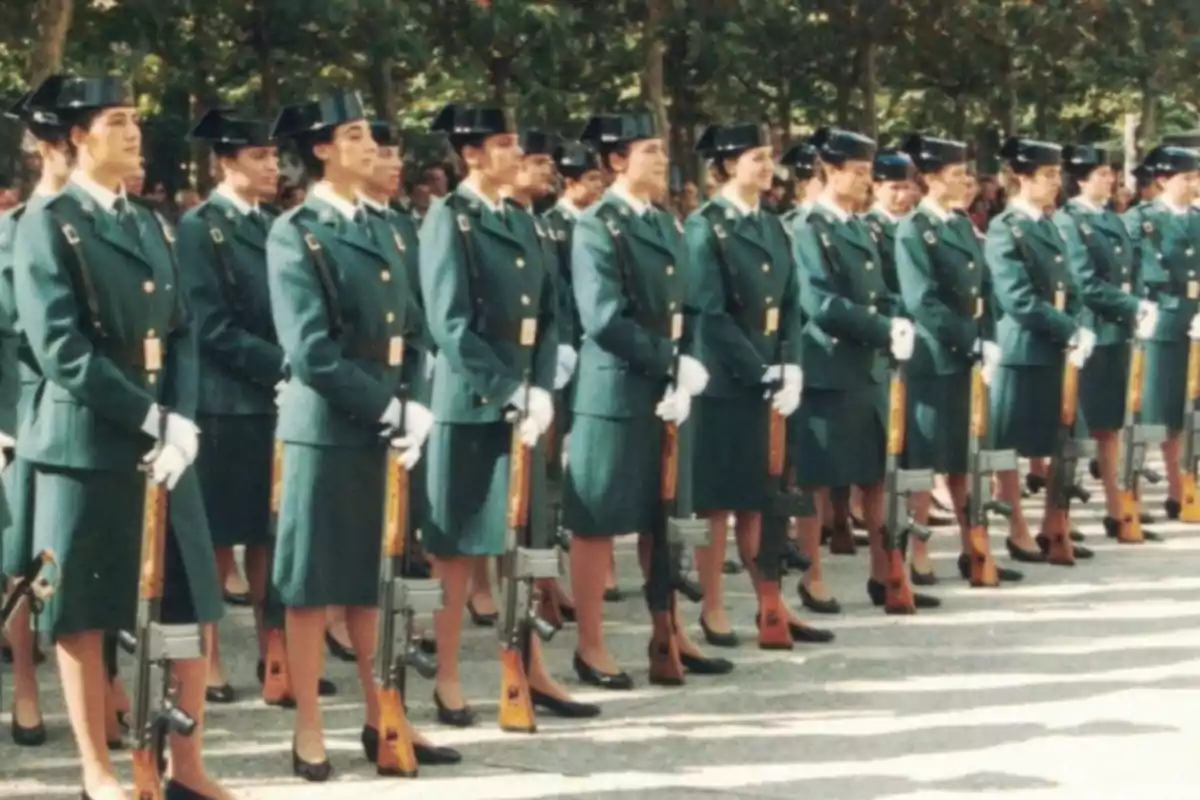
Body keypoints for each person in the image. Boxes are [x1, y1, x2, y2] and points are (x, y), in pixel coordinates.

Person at [13, 73, 229, 800]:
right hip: (87, 444)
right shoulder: (47, 223)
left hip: (163, 442)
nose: (134, 131)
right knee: (81, 615)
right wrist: (149, 416)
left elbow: (183, 331)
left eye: (136, 117)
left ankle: (188, 767)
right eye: (115, 120)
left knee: (190, 601)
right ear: (76, 136)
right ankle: (99, 770)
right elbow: (62, 351)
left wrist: (182, 418)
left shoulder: (148, 221)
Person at [266, 89, 456, 781]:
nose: (370, 148)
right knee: (315, 585)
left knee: (377, 581)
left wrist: (415, 403)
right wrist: (390, 408)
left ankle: (386, 717)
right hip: (326, 428)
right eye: (352, 137)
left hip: (382, 420)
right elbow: (312, 353)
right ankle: (310, 729)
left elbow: (409, 330)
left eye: (371, 137)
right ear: (320, 150)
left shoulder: (381, 227)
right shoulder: (296, 232)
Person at [418, 104, 598, 722]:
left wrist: (541, 385)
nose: (515, 157)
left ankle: (526, 671)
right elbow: (449, 324)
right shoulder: (451, 219)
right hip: (471, 405)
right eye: (502, 145)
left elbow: (548, 315)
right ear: (470, 154)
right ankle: (446, 678)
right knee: (458, 550)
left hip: (523, 403)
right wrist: (507, 388)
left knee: (521, 543)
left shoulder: (523, 220)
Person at [177, 107, 338, 706]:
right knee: (220, 539)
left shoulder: (276, 223)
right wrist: (283, 364)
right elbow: (208, 326)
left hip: (277, 399)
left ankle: (278, 657)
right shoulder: (202, 227)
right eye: (258, 157)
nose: (273, 166)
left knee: (273, 534)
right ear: (225, 162)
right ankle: (210, 659)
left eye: (274, 156)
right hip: (227, 402)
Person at [565, 111, 732, 686]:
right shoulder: (596, 226)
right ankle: (590, 644)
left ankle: (671, 630)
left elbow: (680, 306)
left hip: (663, 389)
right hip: (614, 390)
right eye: (650, 152)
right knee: (598, 521)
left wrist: (683, 366)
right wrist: (670, 361)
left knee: (662, 518)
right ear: (616, 161)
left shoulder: (663, 224)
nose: (663, 162)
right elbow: (604, 319)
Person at [684, 122, 833, 647]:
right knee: (719, 502)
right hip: (728, 380)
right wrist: (758, 369)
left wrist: (791, 361)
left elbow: (792, 300)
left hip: (771, 375)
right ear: (725, 166)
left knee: (761, 498)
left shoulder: (772, 224)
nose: (767, 166)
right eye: (755, 157)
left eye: (769, 157)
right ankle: (714, 607)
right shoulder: (706, 227)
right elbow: (709, 311)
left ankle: (771, 601)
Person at [788, 127, 934, 614]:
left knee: (876, 476)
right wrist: (880, 327)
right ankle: (811, 575)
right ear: (829, 171)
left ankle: (886, 571)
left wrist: (899, 319)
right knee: (815, 478)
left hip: (867, 368)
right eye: (856, 171)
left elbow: (882, 290)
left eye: (867, 171)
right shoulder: (810, 227)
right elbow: (819, 301)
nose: (866, 180)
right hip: (827, 365)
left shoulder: (859, 227)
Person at [894, 132, 1022, 585]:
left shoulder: (959, 224)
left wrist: (986, 338)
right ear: (930, 179)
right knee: (925, 458)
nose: (965, 181)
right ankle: (919, 550)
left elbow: (984, 291)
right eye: (955, 174)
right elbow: (921, 301)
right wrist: (970, 341)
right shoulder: (914, 228)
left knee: (964, 459)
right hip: (933, 357)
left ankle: (975, 548)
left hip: (967, 354)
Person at [986, 136, 1096, 565]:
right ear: (1022, 178)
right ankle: (1016, 528)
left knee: (1063, 439)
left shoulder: (1048, 224)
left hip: (1057, 346)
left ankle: (1056, 525)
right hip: (1024, 347)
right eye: (1048, 175)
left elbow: (1069, 288)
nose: (1056, 183)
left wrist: (1079, 327)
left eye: (1056, 175)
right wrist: (1069, 329)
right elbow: (1017, 298)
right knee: (1010, 443)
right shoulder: (1005, 228)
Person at [0, 82, 70, 749]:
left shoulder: (115, 221)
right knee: (22, 558)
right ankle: (25, 684)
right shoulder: (16, 228)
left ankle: (102, 694)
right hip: (24, 407)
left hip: (92, 413)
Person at [1054, 144, 1160, 540]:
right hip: (1089, 329)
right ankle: (1064, 513)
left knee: (1110, 425)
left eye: (1111, 173)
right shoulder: (1071, 221)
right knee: (1078, 427)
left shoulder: (1111, 218)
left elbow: (1131, 269)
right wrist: (1132, 304)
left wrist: (1138, 305)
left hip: (1117, 331)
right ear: (1081, 179)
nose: (1110, 179)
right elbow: (1084, 282)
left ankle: (1119, 506)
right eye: (1101, 173)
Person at [1127, 144, 1200, 521]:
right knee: (1159, 412)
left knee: (1193, 413)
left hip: (1197, 318)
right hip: (1162, 321)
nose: (1194, 183)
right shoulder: (1143, 220)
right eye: (1187, 177)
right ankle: (1149, 490)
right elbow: (1131, 271)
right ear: (1162, 181)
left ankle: (1186, 489)